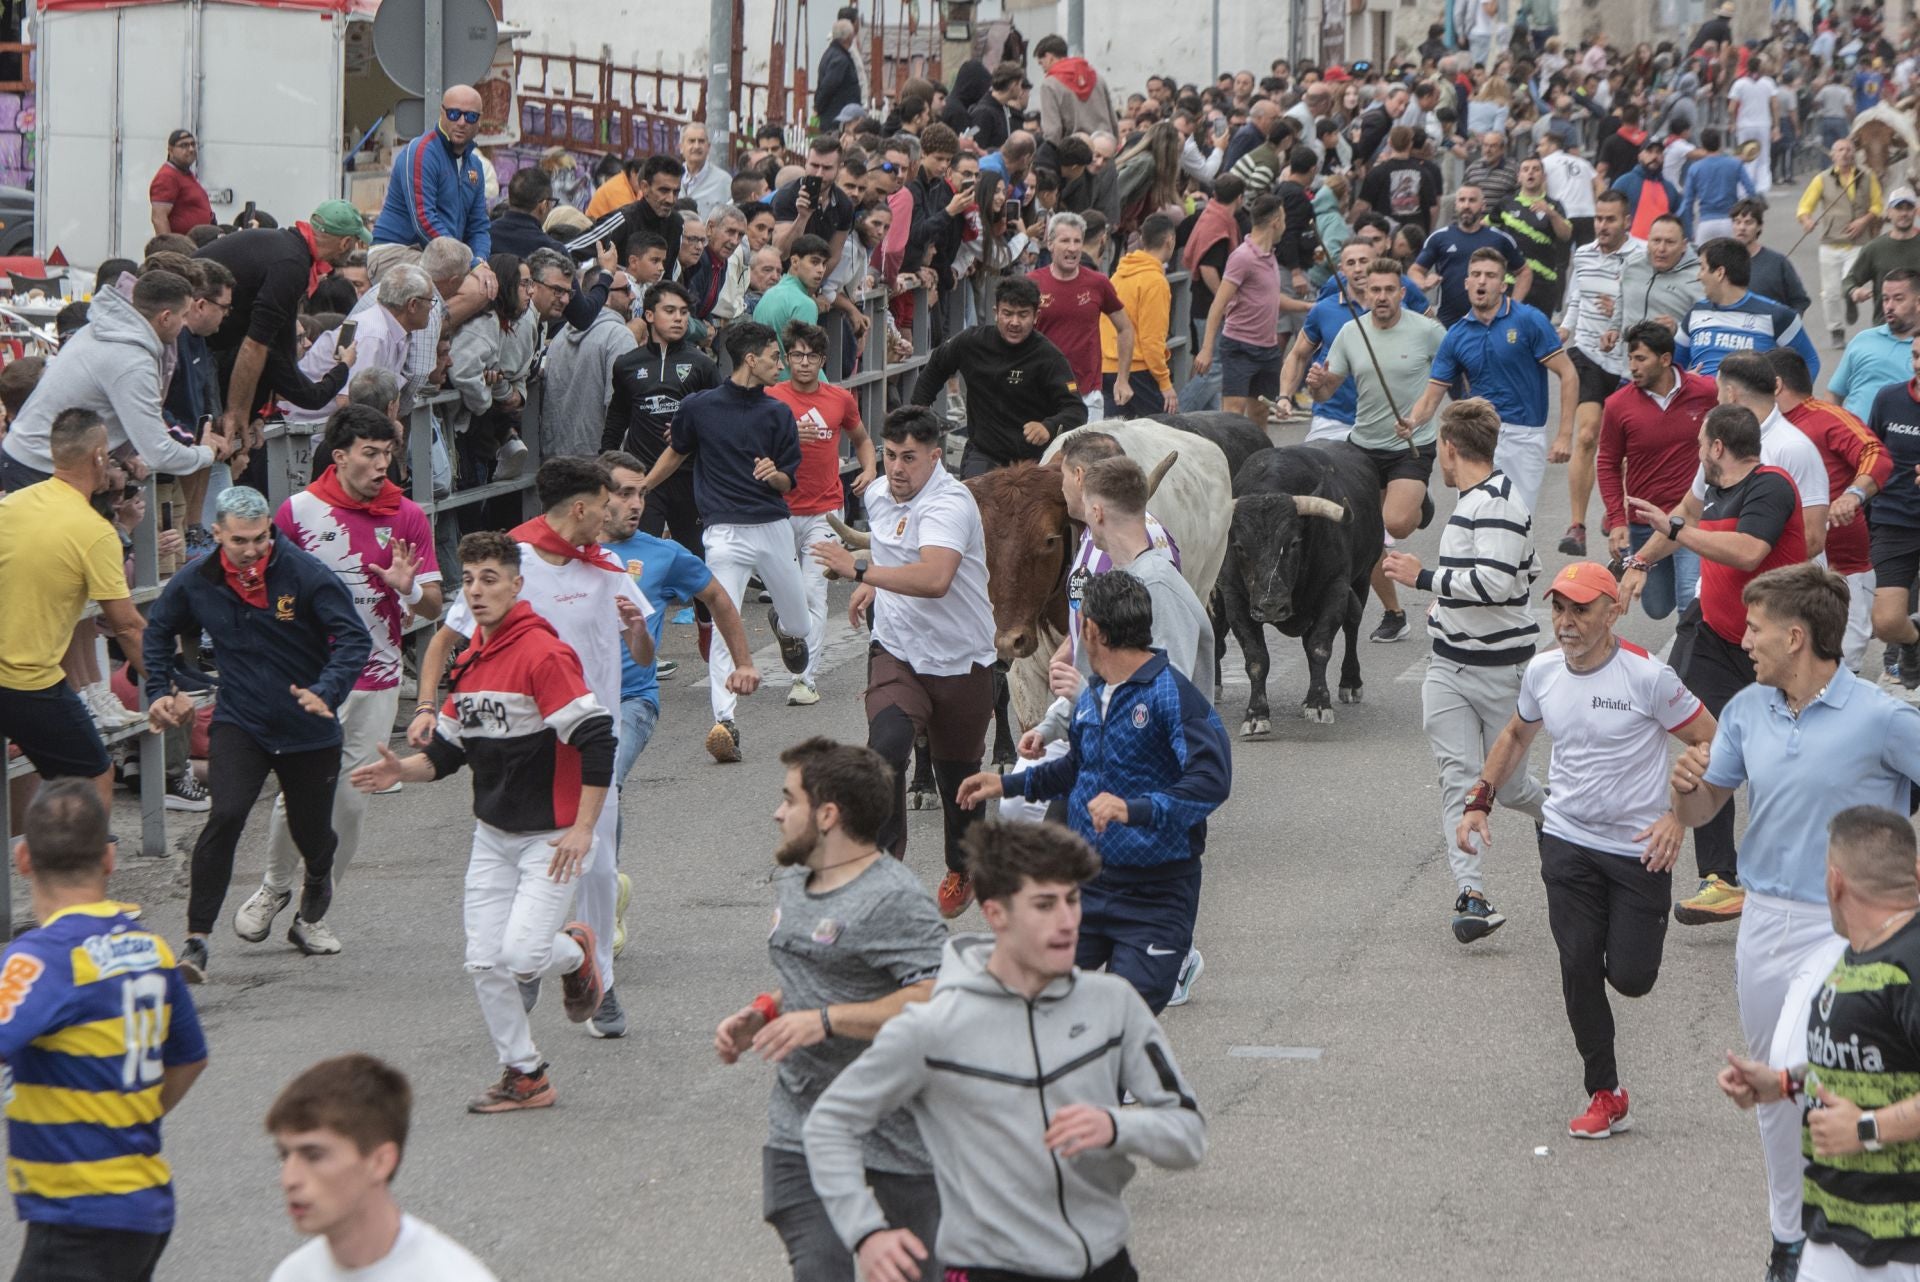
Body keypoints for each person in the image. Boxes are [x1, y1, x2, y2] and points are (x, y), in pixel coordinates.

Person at [803, 818, 1204, 1282]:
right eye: (1044, 905)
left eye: (1073, 900)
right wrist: (866, 1232)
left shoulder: (1114, 1004)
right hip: (988, 1269)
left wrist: (1117, 1127)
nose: (1067, 921)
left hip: (1105, 1266)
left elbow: (1188, 1134)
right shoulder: (935, 1026)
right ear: (995, 914)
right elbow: (829, 1124)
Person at [1673, 565, 1920, 1282]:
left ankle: (1839, 1236)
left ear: (1795, 636)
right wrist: (1683, 792)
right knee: (1775, 1090)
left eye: (1754, 629)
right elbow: (1707, 804)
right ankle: (1796, 1234)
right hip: (1762, 921)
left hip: (1841, 929)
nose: (1743, 640)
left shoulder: (1880, 716)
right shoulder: (1748, 709)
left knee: (1799, 1067)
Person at [355, 532, 616, 1112]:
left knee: (522, 957)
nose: (476, 591)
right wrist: (402, 771)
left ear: (517, 586)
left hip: (553, 836)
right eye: (468, 580)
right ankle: (525, 1074)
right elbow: (448, 753)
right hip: (493, 836)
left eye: (489, 579)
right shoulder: (471, 659)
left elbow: (598, 738)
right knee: (483, 959)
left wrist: (583, 828)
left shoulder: (543, 655)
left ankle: (576, 953)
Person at [1459, 563, 1715, 1138]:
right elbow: (1516, 734)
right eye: (1558, 608)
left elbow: (1709, 739)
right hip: (1567, 839)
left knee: (1631, 977)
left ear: (1612, 612)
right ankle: (1605, 1091)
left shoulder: (1648, 678)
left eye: (1580, 609)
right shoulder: (1544, 671)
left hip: (1637, 851)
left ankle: (1619, 962)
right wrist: (1481, 799)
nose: (1566, 622)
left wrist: (1678, 818)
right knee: (1577, 965)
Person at [413, 458, 653, 1038]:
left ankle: (601, 981)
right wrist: (425, 707)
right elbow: (445, 640)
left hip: (590, 740)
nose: (613, 514)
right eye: (606, 504)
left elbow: (643, 657)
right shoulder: (510, 565)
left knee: (597, 867)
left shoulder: (607, 567)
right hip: (519, 745)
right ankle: (532, 957)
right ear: (581, 508)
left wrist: (637, 630)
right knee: (522, 857)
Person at [715, 737, 947, 1282]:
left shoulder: (895, 899)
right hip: (802, 1125)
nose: (777, 813)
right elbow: (821, 971)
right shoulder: (795, 879)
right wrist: (765, 1011)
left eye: (789, 800)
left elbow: (939, 996)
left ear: (827, 814)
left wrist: (825, 1021)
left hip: (895, 1135)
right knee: (821, 1269)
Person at [223, 407, 442, 958]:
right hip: (310, 679)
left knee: (351, 798)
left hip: (378, 677)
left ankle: (313, 912)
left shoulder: (408, 516)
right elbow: (265, 590)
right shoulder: (297, 512)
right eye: (370, 453)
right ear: (340, 456)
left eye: (387, 454)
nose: (382, 465)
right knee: (299, 790)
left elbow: (434, 605)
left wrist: (409, 589)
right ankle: (274, 887)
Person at [963, 559, 1229, 1003]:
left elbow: (1211, 782)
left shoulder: (1173, 696)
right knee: (1042, 998)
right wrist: (1006, 785)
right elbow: (1076, 768)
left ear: (1091, 631)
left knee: (1122, 1010)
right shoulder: (1093, 696)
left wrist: (1134, 809)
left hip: (1156, 894)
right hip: (1088, 885)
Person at [143, 485, 371, 981]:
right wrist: (159, 689)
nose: (251, 550)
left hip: (307, 724)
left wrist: (327, 690)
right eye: (239, 541)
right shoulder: (197, 579)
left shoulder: (306, 574)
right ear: (217, 533)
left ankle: (316, 877)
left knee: (312, 835)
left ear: (270, 529)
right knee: (225, 815)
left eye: (260, 538)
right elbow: (157, 628)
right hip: (241, 720)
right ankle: (196, 943)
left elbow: (355, 638)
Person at [0, 781, 208, 1282]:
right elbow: (189, 1057)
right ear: (109, 858)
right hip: (143, 1205)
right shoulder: (153, 949)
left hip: (78, 1215)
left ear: (23, 859)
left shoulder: (42, 958)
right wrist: (121, 1118)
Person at [1626, 402, 1810, 929]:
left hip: (1776, 650)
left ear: (1718, 447)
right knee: (1708, 745)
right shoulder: (1711, 487)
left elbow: (1748, 551)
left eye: (1700, 443)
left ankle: (1793, 873)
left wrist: (1677, 529)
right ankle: (1720, 879)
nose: (1697, 451)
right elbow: (1680, 519)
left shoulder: (1770, 486)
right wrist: (1639, 562)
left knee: (1781, 758)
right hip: (1717, 636)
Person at [809, 406, 996, 920]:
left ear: (936, 457)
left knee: (958, 778)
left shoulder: (949, 504)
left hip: (961, 660)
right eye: (890, 455)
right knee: (884, 751)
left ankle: (962, 866)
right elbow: (895, 552)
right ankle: (882, 873)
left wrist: (859, 571)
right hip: (898, 652)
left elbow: (934, 579)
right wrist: (875, 586)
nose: (896, 468)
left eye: (909, 458)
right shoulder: (876, 494)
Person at [1719, 807, 1920, 1282]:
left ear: (1834, 882)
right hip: (1834, 1232)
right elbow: (1872, 1066)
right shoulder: (1857, 956)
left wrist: (1867, 1128)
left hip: (1903, 1247)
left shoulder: (1909, 966)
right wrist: (1782, 1083)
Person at [1382, 398, 1548, 945]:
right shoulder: (1477, 500)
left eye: (1439, 449)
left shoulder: (1497, 503)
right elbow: (1524, 571)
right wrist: (1445, 608)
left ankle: (1560, 818)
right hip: (1448, 666)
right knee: (1458, 777)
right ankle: (1471, 895)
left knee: (1512, 788)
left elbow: (1496, 584)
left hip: (1501, 672)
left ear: (1449, 448)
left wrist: (1424, 578)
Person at [640, 322, 811, 761]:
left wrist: (775, 475)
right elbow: (676, 451)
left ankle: (785, 630)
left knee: (801, 623)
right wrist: (642, 487)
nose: (781, 365)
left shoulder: (778, 413)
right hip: (722, 532)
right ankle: (725, 722)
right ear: (751, 359)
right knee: (722, 621)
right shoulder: (698, 407)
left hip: (773, 525)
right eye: (774, 356)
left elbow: (789, 480)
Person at [597, 451, 757, 863]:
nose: (636, 504)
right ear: (597, 495)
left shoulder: (663, 554)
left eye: (642, 494)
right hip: (570, 700)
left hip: (632, 701)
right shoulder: (566, 550)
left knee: (602, 783)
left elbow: (717, 597)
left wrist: (743, 663)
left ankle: (604, 884)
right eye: (625, 493)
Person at [0, 411, 152, 814]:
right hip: (25, 681)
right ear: (98, 457)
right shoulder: (94, 531)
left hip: (21, 678)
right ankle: (79, 855)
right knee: (92, 776)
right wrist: (166, 683)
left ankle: (44, 848)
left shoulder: (12, 504)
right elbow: (127, 626)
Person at [266, 1054, 497, 1280]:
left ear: (380, 1162)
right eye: (284, 1155)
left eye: (314, 1156)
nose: (288, 1179)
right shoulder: (292, 1274)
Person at [1311, 256, 1447, 639]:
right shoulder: (1350, 333)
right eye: (1375, 290)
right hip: (1363, 446)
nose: (1382, 296)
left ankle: (1417, 503)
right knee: (1368, 536)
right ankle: (1394, 614)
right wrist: (1316, 384)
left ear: (1402, 293)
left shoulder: (1428, 331)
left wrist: (1419, 418)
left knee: (1396, 524)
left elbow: (1448, 379)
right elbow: (1325, 391)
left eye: (1389, 290)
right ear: (1364, 294)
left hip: (1411, 444)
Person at [0, 270, 231, 489]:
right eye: (183, 316)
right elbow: (159, 453)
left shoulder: (104, 329)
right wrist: (205, 453)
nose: (185, 324)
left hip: (32, 455)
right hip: (38, 466)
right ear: (165, 317)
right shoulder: (132, 361)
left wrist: (120, 456)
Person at [1408, 248, 1578, 517]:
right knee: (1475, 516)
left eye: (1490, 275)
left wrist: (1565, 436)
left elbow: (1568, 374)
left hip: (1523, 436)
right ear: (1466, 283)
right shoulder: (1456, 335)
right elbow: (1431, 398)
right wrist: (1411, 422)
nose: (1482, 281)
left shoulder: (1529, 320)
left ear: (1503, 285)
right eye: (1476, 275)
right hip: (1478, 435)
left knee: (1517, 521)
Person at [195, 201, 369, 450]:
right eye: (356, 242)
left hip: (199, 340)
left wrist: (254, 413)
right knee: (212, 445)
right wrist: (237, 412)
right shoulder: (292, 264)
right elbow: (255, 345)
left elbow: (275, 351)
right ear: (345, 243)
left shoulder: (287, 247)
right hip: (196, 343)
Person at [768, 320, 875, 705]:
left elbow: (862, 439)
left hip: (825, 511)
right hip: (777, 511)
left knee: (814, 591)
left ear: (823, 360)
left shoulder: (839, 399)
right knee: (787, 595)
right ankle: (784, 626)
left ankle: (804, 680)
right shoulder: (770, 397)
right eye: (796, 355)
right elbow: (751, 445)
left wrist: (869, 468)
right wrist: (788, 435)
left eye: (811, 356)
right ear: (786, 359)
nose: (803, 363)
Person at [1770, 349, 1890, 675]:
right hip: (1782, 567)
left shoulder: (1825, 417)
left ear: (1776, 384)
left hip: (1842, 568)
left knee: (1840, 665)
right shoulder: (1758, 427)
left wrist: (1853, 495)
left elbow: (1875, 453)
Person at [908, 276, 1086, 476]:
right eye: (1007, 314)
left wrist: (1048, 427)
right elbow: (935, 366)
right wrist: (919, 414)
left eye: (1023, 315)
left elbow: (1076, 410)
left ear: (1036, 316)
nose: (1014, 322)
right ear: (996, 313)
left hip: (1032, 461)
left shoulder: (1050, 357)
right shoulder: (971, 342)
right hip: (983, 453)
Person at [1597, 322, 1717, 620]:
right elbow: (1608, 463)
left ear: (1665, 359)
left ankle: (1690, 650)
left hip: (1692, 516)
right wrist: (1617, 519)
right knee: (1657, 606)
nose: (1632, 367)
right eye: (1630, 359)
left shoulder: (1706, 392)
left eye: (1641, 359)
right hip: (1645, 521)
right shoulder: (1617, 405)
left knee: (1690, 597)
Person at [1557, 189, 1643, 557]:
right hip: (1588, 354)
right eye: (1598, 218)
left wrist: (1623, 311)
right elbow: (1576, 298)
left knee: (1624, 447)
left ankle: (1617, 510)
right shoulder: (1583, 254)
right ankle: (1576, 527)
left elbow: (1648, 301)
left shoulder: (1641, 256)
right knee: (1587, 434)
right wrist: (1565, 328)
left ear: (1626, 221)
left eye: (1610, 219)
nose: (1602, 225)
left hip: (1628, 360)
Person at [1030, 212, 1135, 424]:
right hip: (1041, 393)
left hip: (1087, 395)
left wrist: (1123, 379)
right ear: (1050, 244)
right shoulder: (1032, 283)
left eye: (1077, 241)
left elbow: (1125, 328)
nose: (1072, 248)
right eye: (1065, 241)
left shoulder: (1098, 283)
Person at [1194, 193, 1287, 431]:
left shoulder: (1270, 256)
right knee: (1233, 413)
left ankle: (1260, 453)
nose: (1285, 226)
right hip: (1240, 347)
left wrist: (1307, 306)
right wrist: (1206, 349)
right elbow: (1218, 304)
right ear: (1276, 221)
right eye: (1284, 219)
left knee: (1260, 411)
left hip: (1268, 348)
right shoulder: (1243, 257)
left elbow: (1270, 297)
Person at [370, 86, 490, 263]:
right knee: (465, 280)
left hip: (441, 255)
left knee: (489, 279)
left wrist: (480, 261)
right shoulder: (422, 152)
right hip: (395, 251)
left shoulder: (475, 165)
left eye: (471, 116)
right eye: (453, 114)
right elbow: (424, 221)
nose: (461, 122)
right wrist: (468, 264)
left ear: (479, 121)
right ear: (441, 113)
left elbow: (478, 227)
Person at [1677, 238, 1822, 380]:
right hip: (1702, 397)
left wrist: (1788, 395)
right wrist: (1685, 381)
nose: (1699, 276)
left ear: (1719, 273)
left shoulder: (1777, 315)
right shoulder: (1696, 312)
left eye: (1702, 268)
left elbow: (1810, 361)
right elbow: (1674, 365)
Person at [1865, 340, 1920, 688]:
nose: (1919, 364)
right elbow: (1872, 455)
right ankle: (1913, 642)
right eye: (1915, 355)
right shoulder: (1889, 398)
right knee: (1884, 622)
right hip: (1894, 519)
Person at [1799, 138, 1884, 348]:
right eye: (1840, 150)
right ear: (1833, 155)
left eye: (1848, 149)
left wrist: (1863, 221)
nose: (1845, 153)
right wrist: (1807, 221)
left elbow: (1878, 205)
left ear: (1854, 154)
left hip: (1858, 243)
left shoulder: (1867, 176)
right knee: (1829, 293)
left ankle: (1849, 297)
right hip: (1830, 243)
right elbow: (1804, 207)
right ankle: (1836, 330)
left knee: (1848, 281)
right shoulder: (1822, 179)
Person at [1410, 183, 1527, 327]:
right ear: (1456, 205)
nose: (1466, 205)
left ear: (1483, 206)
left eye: (1472, 200)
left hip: (1492, 323)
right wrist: (1423, 283)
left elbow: (1524, 272)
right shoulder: (1439, 238)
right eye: (1462, 200)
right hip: (1449, 322)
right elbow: (1415, 270)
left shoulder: (1499, 239)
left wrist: (1513, 306)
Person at [1100, 212, 1178, 418]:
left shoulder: (1118, 275)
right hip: (1138, 371)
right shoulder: (1155, 282)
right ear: (1170, 241)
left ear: (1142, 239)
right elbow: (1152, 340)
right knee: (1164, 431)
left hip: (1109, 368)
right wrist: (1165, 383)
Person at [1829, 269, 1920, 426]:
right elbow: (1834, 395)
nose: (1889, 306)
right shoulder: (1862, 340)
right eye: (1885, 299)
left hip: (1902, 439)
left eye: (1898, 299)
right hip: (1854, 438)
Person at [1496, 155, 1573, 319]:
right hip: (1511, 280)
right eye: (1525, 169)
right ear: (1519, 177)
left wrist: (1551, 214)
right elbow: (1486, 226)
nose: (1530, 173)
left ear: (1543, 176)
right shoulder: (1506, 203)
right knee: (1510, 327)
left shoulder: (1554, 205)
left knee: (1538, 329)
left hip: (1543, 282)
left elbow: (1566, 235)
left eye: (1535, 169)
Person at [1612, 214, 1699, 346]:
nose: (1661, 248)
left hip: (1672, 356)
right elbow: (1621, 299)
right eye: (1656, 241)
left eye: (1670, 242)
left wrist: (1678, 328)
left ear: (1684, 246)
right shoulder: (1631, 264)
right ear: (1648, 241)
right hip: (1628, 357)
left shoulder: (1699, 276)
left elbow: (1709, 322)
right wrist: (1614, 328)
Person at [1844, 185, 1920, 326]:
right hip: (1885, 326)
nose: (1904, 213)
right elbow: (1849, 280)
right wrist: (1854, 291)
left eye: (1909, 208)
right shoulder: (1874, 248)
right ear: (1888, 212)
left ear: (1915, 212)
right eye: (1899, 208)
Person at [753, 234, 831, 370]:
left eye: (824, 264)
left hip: (764, 378)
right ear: (795, 261)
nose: (821, 270)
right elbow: (806, 364)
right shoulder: (805, 304)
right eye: (814, 262)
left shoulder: (769, 294)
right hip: (789, 380)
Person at [1730, 198, 1813, 319]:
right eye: (1737, 222)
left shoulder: (1778, 263)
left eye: (1748, 223)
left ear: (1759, 226)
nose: (1742, 227)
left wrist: (1788, 323)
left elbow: (1800, 301)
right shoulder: (1722, 263)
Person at [1033, 33, 1120, 143]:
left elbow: (1053, 130)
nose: (1044, 70)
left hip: (1074, 147)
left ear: (1049, 57)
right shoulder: (1097, 78)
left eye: (1041, 63)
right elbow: (1113, 120)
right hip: (1104, 144)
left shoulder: (1049, 85)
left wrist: (1049, 150)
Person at [1676, 127, 1756, 242]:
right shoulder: (1734, 163)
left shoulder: (1695, 168)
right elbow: (1751, 190)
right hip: (1730, 221)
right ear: (1720, 143)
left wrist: (1689, 230)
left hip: (1706, 222)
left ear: (1702, 145)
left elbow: (1688, 202)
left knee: (1703, 253)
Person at [1356, 126, 1440, 234]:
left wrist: (1350, 226)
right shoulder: (1424, 173)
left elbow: (1361, 206)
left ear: (1389, 142)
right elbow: (1433, 209)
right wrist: (1429, 231)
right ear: (1410, 144)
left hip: (1385, 232)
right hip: (1415, 234)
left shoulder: (1377, 173)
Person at [1538, 131, 1599, 245]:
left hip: (1562, 214)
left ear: (1553, 146)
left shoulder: (1544, 164)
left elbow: (1541, 188)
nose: (1538, 149)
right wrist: (1597, 206)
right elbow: (1600, 184)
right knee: (1587, 254)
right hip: (1588, 214)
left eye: (1542, 145)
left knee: (1561, 254)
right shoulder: (1582, 162)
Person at [149, 128, 212, 237]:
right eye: (184, 145)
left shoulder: (185, 173)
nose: (191, 149)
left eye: (193, 144)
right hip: (184, 244)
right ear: (170, 150)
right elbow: (158, 218)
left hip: (197, 243)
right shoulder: (167, 176)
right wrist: (170, 245)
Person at [815, 17, 863, 130]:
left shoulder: (830, 53)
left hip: (832, 115)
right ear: (848, 37)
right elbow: (828, 86)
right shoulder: (840, 59)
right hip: (836, 117)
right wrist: (819, 107)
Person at [679, 121, 734, 219]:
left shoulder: (724, 181)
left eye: (701, 141)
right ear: (681, 147)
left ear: (708, 147)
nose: (696, 146)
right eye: (691, 141)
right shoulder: (673, 177)